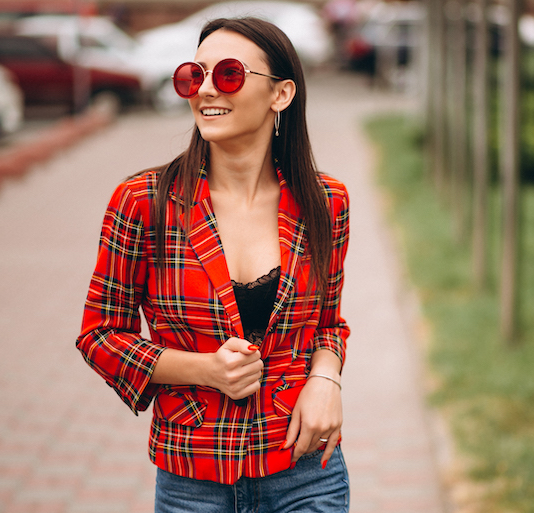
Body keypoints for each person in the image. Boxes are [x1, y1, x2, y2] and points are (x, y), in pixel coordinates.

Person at [76, 17, 350, 512]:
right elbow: (98, 336)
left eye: (227, 74)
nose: (204, 90)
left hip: (306, 468)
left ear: (281, 94)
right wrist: (205, 370)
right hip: (192, 479)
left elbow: (327, 323)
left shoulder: (325, 201)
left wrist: (325, 379)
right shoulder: (143, 201)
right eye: (192, 75)